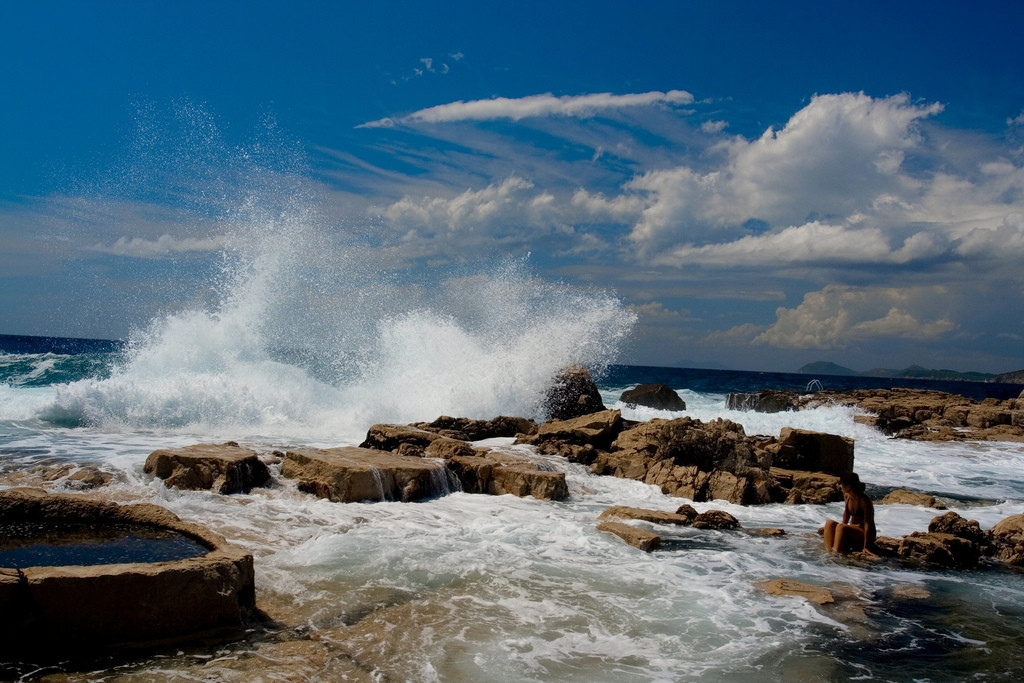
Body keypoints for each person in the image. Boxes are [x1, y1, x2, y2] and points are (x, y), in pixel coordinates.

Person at [824, 471, 877, 556]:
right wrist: (840, 531)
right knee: (829, 523)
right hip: (853, 529)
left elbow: (868, 524)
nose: (840, 486)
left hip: (865, 533)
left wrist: (866, 546)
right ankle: (828, 552)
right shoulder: (847, 496)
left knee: (841, 527)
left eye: (842, 484)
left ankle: (835, 554)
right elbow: (846, 513)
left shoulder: (864, 500)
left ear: (848, 487)